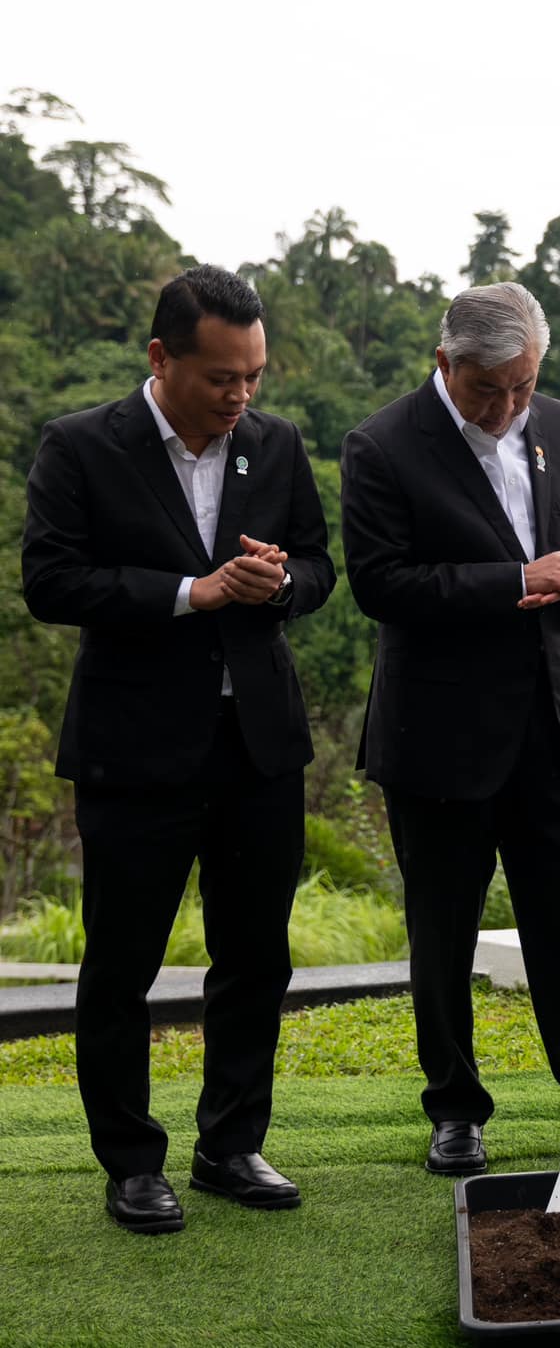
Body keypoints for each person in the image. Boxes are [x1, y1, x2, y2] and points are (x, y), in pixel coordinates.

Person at [21, 265, 335, 1233]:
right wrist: (190, 592)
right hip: (134, 749)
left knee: (256, 956)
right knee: (121, 964)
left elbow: (322, 566)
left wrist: (279, 583)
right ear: (161, 358)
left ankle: (230, 1144)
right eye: (220, 377)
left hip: (260, 746)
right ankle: (130, 1162)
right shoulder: (80, 445)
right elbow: (51, 581)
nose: (241, 396)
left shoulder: (275, 446)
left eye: (254, 376)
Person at [340, 282, 560, 1175]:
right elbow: (382, 585)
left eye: (524, 386)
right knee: (443, 929)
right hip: (440, 737)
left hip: (554, 725)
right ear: (445, 364)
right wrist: (515, 580)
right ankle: (455, 1111)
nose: (508, 407)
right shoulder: (381, 446)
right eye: (489, 389)